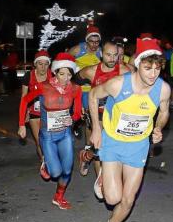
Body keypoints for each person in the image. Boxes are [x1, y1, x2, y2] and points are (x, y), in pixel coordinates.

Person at [88, 38, 170, 222]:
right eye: (147, 67)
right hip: (113, 142)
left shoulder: (163, 90)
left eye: (157, 67)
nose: (153, 73)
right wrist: (96, 128)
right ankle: (102, 176)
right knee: (112, 198)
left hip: (138, 146)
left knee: (127, 199)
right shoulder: (118, 84)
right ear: (137, 64)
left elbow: (164, 112)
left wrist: (158, 127)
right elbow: (93, 95)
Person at [18, 53, 82, 210]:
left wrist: (72, 119)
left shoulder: (75, 89)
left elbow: (78, 112)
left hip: (65, 134)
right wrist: (21, 125)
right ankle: (46, 164)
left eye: (69, 74)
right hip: (47, 136)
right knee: (55, 173)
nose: (65, 78)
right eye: (62, 74)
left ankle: (58, 196)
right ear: (55, 72)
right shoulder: (44, 86)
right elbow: (25, 100)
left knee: (67, 170)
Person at [75, 40, 129, 196]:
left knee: (114, 147)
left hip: (117, 115)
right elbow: (73, 83)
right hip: (97, 114)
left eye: (115, 55)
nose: (112, 59)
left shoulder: (125, 71)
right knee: (101, 146)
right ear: (101, 54)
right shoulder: (90, 71)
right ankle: (101, 180)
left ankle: (85, 156)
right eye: (108, 55)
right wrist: (80, 105)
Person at [20, 50, 52, 174]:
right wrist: (24, 115)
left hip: (50, 112)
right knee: (40, 140)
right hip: (34, 112)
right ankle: (44, 161)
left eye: (46, 64)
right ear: (35, 64)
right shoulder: (28, 76)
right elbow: (24, 97)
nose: (43, 67)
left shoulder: (53, 75)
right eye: (40, 64)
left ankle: (51, 159)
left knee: (50, 139)